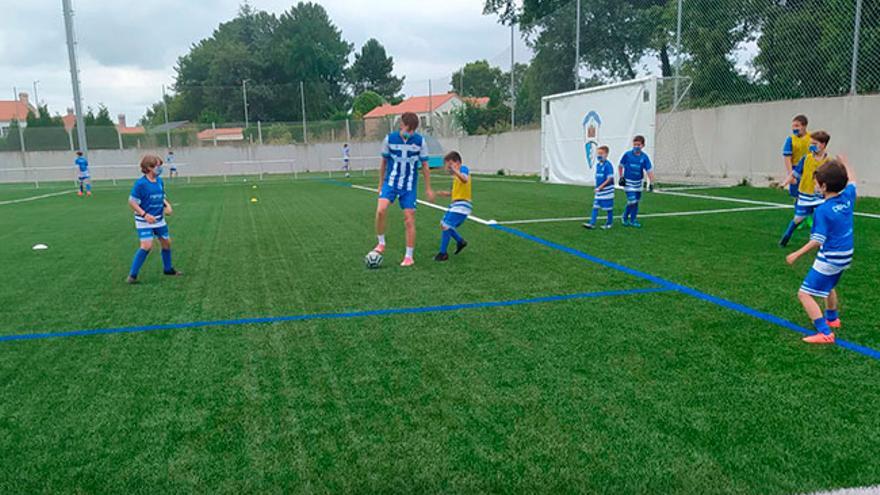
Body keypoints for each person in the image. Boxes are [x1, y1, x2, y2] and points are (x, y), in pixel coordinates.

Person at [785, 155, 856, 344]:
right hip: (845, 255)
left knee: (804, 293)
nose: (815, 186)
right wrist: (845, 164)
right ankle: (833, 319)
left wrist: (796, 254)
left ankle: (825, 332)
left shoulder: (823, 210)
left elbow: (817, 240)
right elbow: (853, 180)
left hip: (830, 256)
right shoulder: (848, 196)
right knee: (829, 285)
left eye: (817, 183)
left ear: (824, 187)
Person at [373, 112, 435, 267]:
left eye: (412, 129)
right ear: (402, 124)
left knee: (409, 219)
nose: (409, 132)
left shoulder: (420, 142)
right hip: (391, 183)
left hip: (408, 187)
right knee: (381, 210)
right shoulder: (389, 139)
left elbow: (425, 166)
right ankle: (381, 242)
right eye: (407, 128)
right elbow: (384, 163)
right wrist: (380, 184)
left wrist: (428, 188)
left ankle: (409, 256)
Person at [126, 154, 182, 284]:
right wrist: (145, 214)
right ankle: (132, 276)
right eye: (158, 166)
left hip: (159, 219)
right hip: (144, 220)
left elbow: (161, 197)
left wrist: (167, 206)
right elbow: (132, 202)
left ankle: (168, 269)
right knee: (146, 246)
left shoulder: (159, 181)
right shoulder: (141, 184)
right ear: (149, 167)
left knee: (166, 243)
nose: (160, 168)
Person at [779, 130, 832, 247]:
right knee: (798, 219)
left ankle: (818, 242)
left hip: (821, 197)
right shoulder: (806, 158)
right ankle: (786, 236)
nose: (812, 146)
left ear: (823, 145)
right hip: (805, 194)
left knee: (821, 218)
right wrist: (784, 183)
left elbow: (834, 178)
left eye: (815, 143)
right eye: (811, 143)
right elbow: (795, 173)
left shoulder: (829, 162)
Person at [434, 151, 470, 262]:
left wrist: (455, 170)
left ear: (457, 163)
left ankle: (443, 253)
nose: (448, 168)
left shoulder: (463, 169)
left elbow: (465, 179)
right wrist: (440, 193)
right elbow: (452, 193)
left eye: (450, 165)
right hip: (455, 205)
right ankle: (460, 241)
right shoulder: (455, 178)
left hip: (461, 206)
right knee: (444, 225)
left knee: (446, 226)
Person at [617, 135, 654, 227]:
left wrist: (651, 183)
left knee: (636, 202)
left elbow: (649, 171)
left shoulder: (644, 157)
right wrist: (621, 177)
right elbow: (620, 166)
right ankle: (625, 216)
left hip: (638, 182)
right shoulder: (627, 155)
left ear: (643, 145)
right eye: (635, 144)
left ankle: (633, 220)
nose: (636, 146)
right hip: (628, 181)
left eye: (639, 145)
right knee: (632, 201)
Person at [583, 145, 614, 230]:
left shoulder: (608, 165)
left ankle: (609, 223)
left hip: (607, 191)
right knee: (595, 206)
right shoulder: (598, 165)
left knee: (608, 208)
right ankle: (592, 223)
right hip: (599, 191)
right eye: (598, 153)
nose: (599, 155)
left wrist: (600, 187)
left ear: (606, 154)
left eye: (601, 153)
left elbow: (609, 178)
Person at [782, 115, 811, 199]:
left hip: (809, 169)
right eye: (793, 126)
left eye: (797, 126)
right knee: (796, 194)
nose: (794, 128)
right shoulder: (790, 139)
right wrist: (791, 175)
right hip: (796, 169)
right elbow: (787, 158)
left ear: (804, 126)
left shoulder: (812, 138)